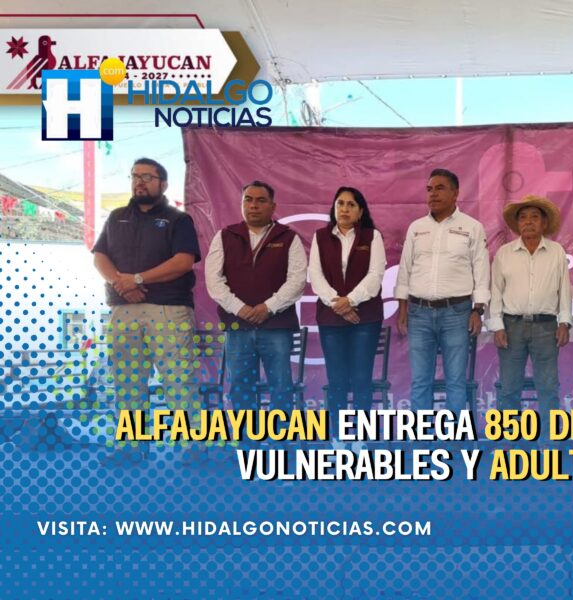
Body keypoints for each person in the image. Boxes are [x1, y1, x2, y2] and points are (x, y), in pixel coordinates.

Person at [92, 157, 200, 458]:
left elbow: (183, 262)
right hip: (123, 309)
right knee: (127, 382)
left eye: (147, 177)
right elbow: (99, 257)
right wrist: (121, 284)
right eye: (135, 176)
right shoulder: (116, 217)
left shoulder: (178, 219)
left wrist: (137, 279)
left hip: (168, 309)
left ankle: (192, 445)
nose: (139, 182)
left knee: (178, 380)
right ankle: (131, 446)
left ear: (163, 184)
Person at [204, 180, 306, 419]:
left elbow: (297, 281)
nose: (253, 205)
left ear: (273, 206)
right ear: (241, 204)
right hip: (237, 326)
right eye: (248, 200)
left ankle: (281, 438)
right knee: (240, 387)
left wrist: (268, 307)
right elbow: (214, 281)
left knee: (281, 386)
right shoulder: (225, 236)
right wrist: (240, 309)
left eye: (261, 200)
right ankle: (246, 438)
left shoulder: (288, 237)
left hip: (276, 326)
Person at [394, 169, 490, 413]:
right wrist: (403, 309)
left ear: (456, 193)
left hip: (457, 313)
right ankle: (420, 436)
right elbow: (405, 270)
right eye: (429, 189)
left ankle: (455, 437)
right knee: (420, 382)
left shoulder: (472, 227)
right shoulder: (416, 228)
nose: (433, 194)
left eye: (440, 188)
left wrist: (478, 310)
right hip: (419, 313)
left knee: (455, 382)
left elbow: (481, 271)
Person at [489, 195, 571, 444]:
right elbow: (496, 292)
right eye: (523, 217)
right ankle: (508, 443)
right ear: (517, 224)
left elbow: (564, 290)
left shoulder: (556, 252)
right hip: (511, 326)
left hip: (546, 327)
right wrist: (497, 326)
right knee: (509, 387)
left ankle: (548, 444)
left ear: (544, 223)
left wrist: (564, 323)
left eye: (534, 217)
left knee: (548, 387)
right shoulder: (504, 253)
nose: (528, 222)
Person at [309, 186, 386, 424]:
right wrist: (338, 304)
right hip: (330, 318)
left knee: (362, 378)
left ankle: (361, 435)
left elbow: (375, 276)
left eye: (351, 204)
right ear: (334, 208)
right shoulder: (320, 237)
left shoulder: (372, 236)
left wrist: (349, 301)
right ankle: (337, 435)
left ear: (360, 211)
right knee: (337, 380)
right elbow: (316, 276)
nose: (344, 209)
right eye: (340, 203)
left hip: (366, 318)